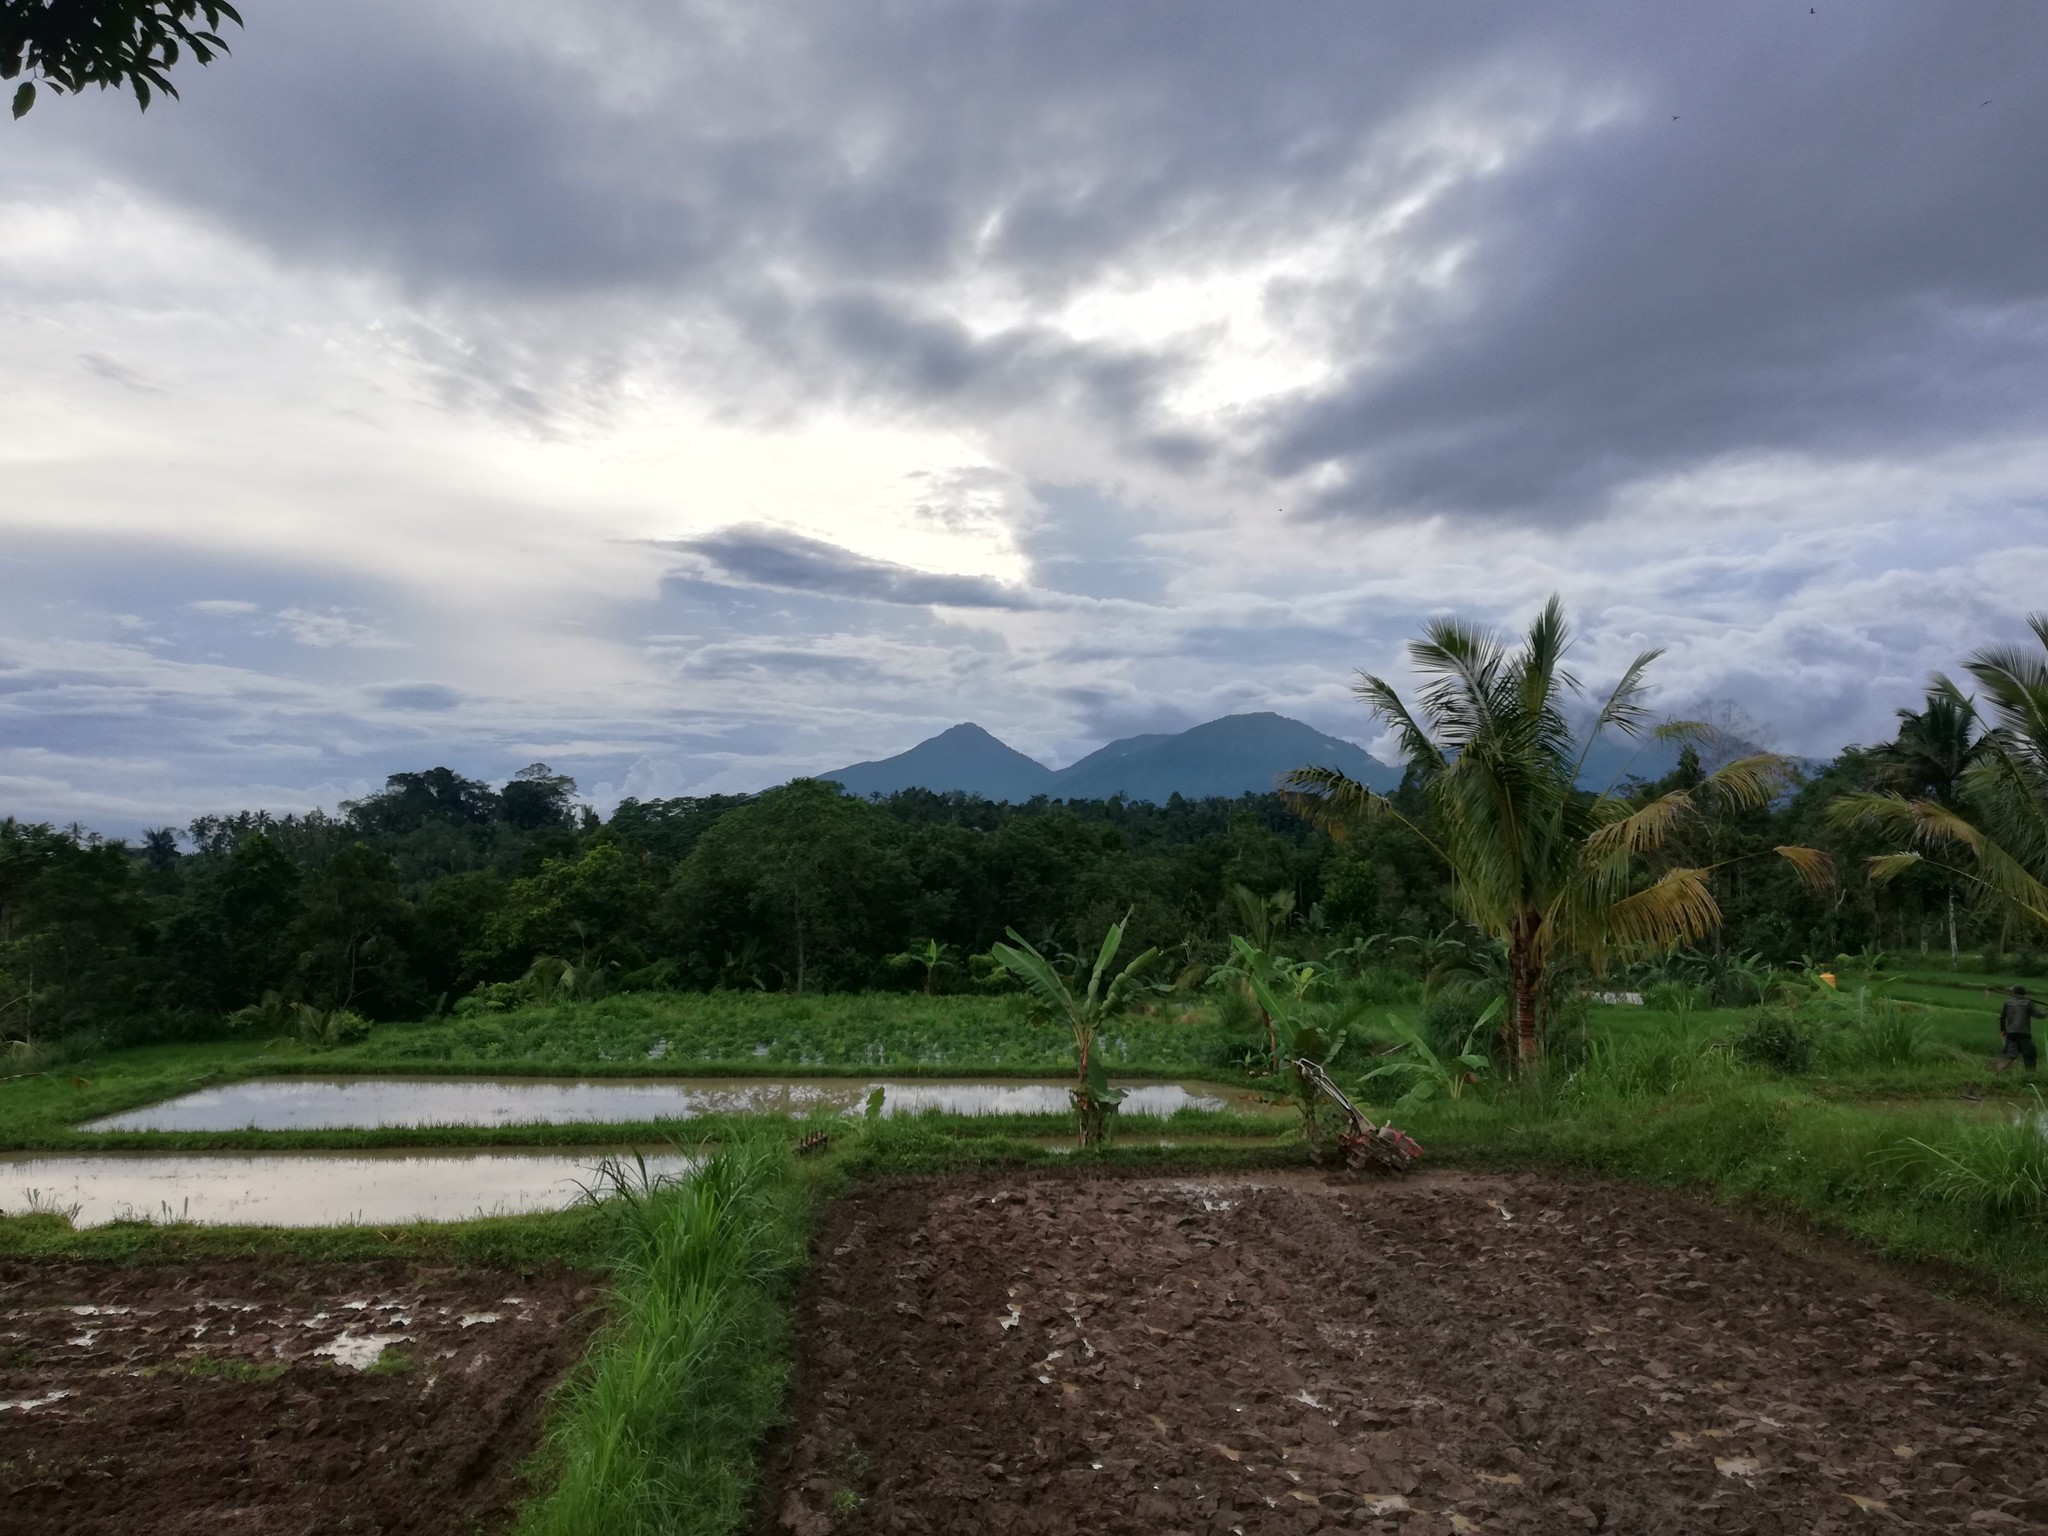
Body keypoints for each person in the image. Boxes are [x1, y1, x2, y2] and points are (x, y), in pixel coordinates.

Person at [1993, 985, 2047, 1075]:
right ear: (2024, 994)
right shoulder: (2028, 1003)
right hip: (2023, 1033)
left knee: (2009, 1053)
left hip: (2011, 1033)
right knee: (2030, 1053)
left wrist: (2003, 1030)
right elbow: (2040, 1015)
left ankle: (1999, 1072)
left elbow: (2002, 1017)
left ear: (2014, 993)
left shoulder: (2008, 1002)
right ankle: (2030, 1075)